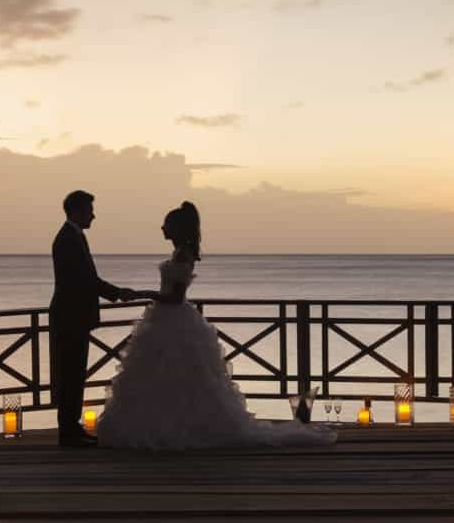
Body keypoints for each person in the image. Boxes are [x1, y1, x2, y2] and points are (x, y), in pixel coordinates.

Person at [96, 201, 334, 450]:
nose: (162, 227)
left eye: (166, 223)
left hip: (172, 318)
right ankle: (175, 424)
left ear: (175, 227)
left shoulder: (182, 255)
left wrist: (140, 293)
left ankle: (174, 428)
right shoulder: (182, 253)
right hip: (169, 318)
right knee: (172, 377)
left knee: (171, 375)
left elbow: (175, 297)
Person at [49, 190, 134, 448]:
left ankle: (72, 428)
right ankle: (68, 432)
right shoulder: (67, 240)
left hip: (73, 317)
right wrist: (117, 294)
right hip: (69, 317)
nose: (93, 216)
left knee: (75, 373)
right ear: (76, 211)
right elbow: (85, 281)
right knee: (70, 374)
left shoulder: (74, 237)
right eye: (89, 211)